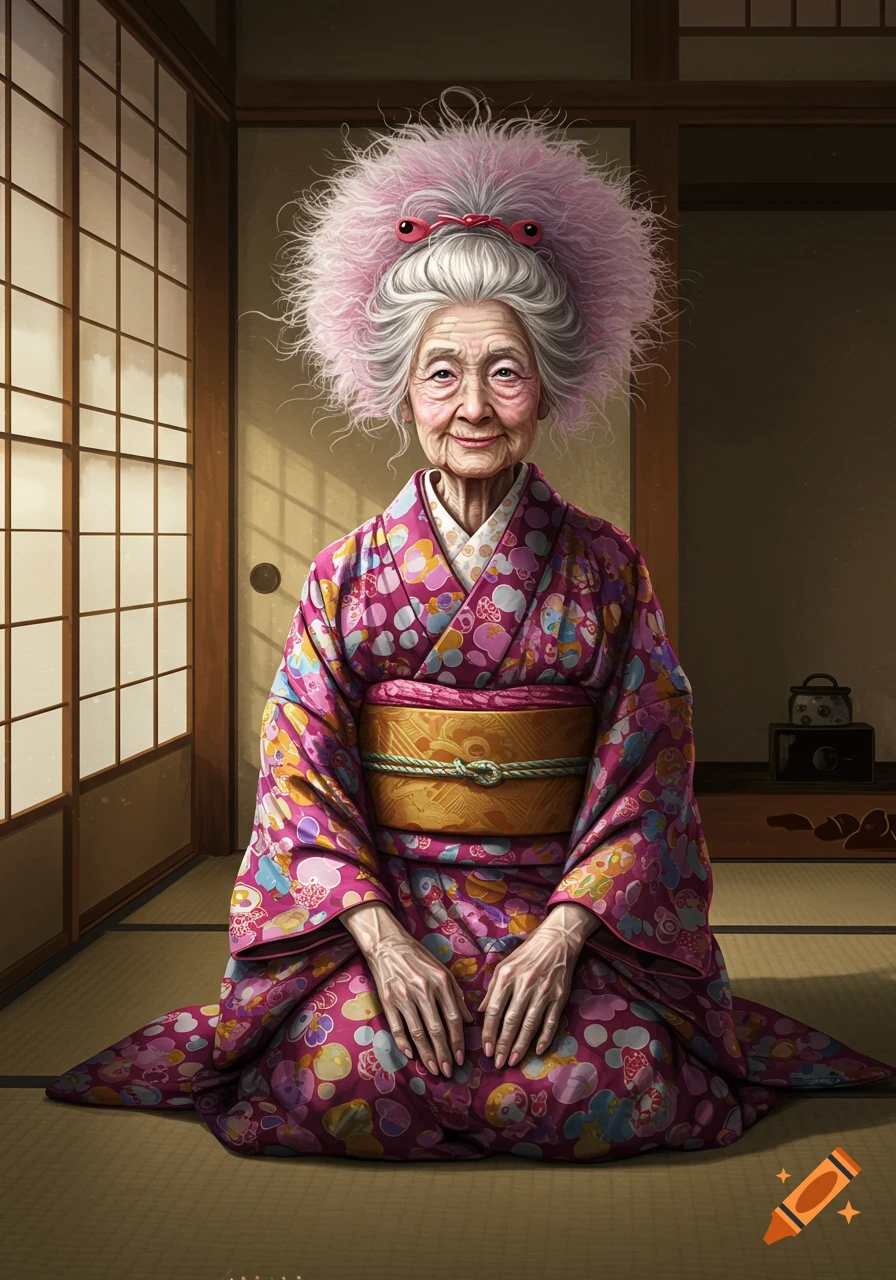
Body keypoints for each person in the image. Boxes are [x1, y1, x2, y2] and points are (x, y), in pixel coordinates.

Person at [47, 91, 894, 1162]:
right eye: (441, 372)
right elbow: (299, 778)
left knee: (614, 1076)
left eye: (504, 369)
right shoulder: (347, 572)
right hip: (389, 902)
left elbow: (648, 772)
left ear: (546, 385)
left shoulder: (602, 565)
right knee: (337, 1073)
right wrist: (379, 938)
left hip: (554, 907)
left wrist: (564, 934)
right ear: (402, 392)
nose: (474, 404)